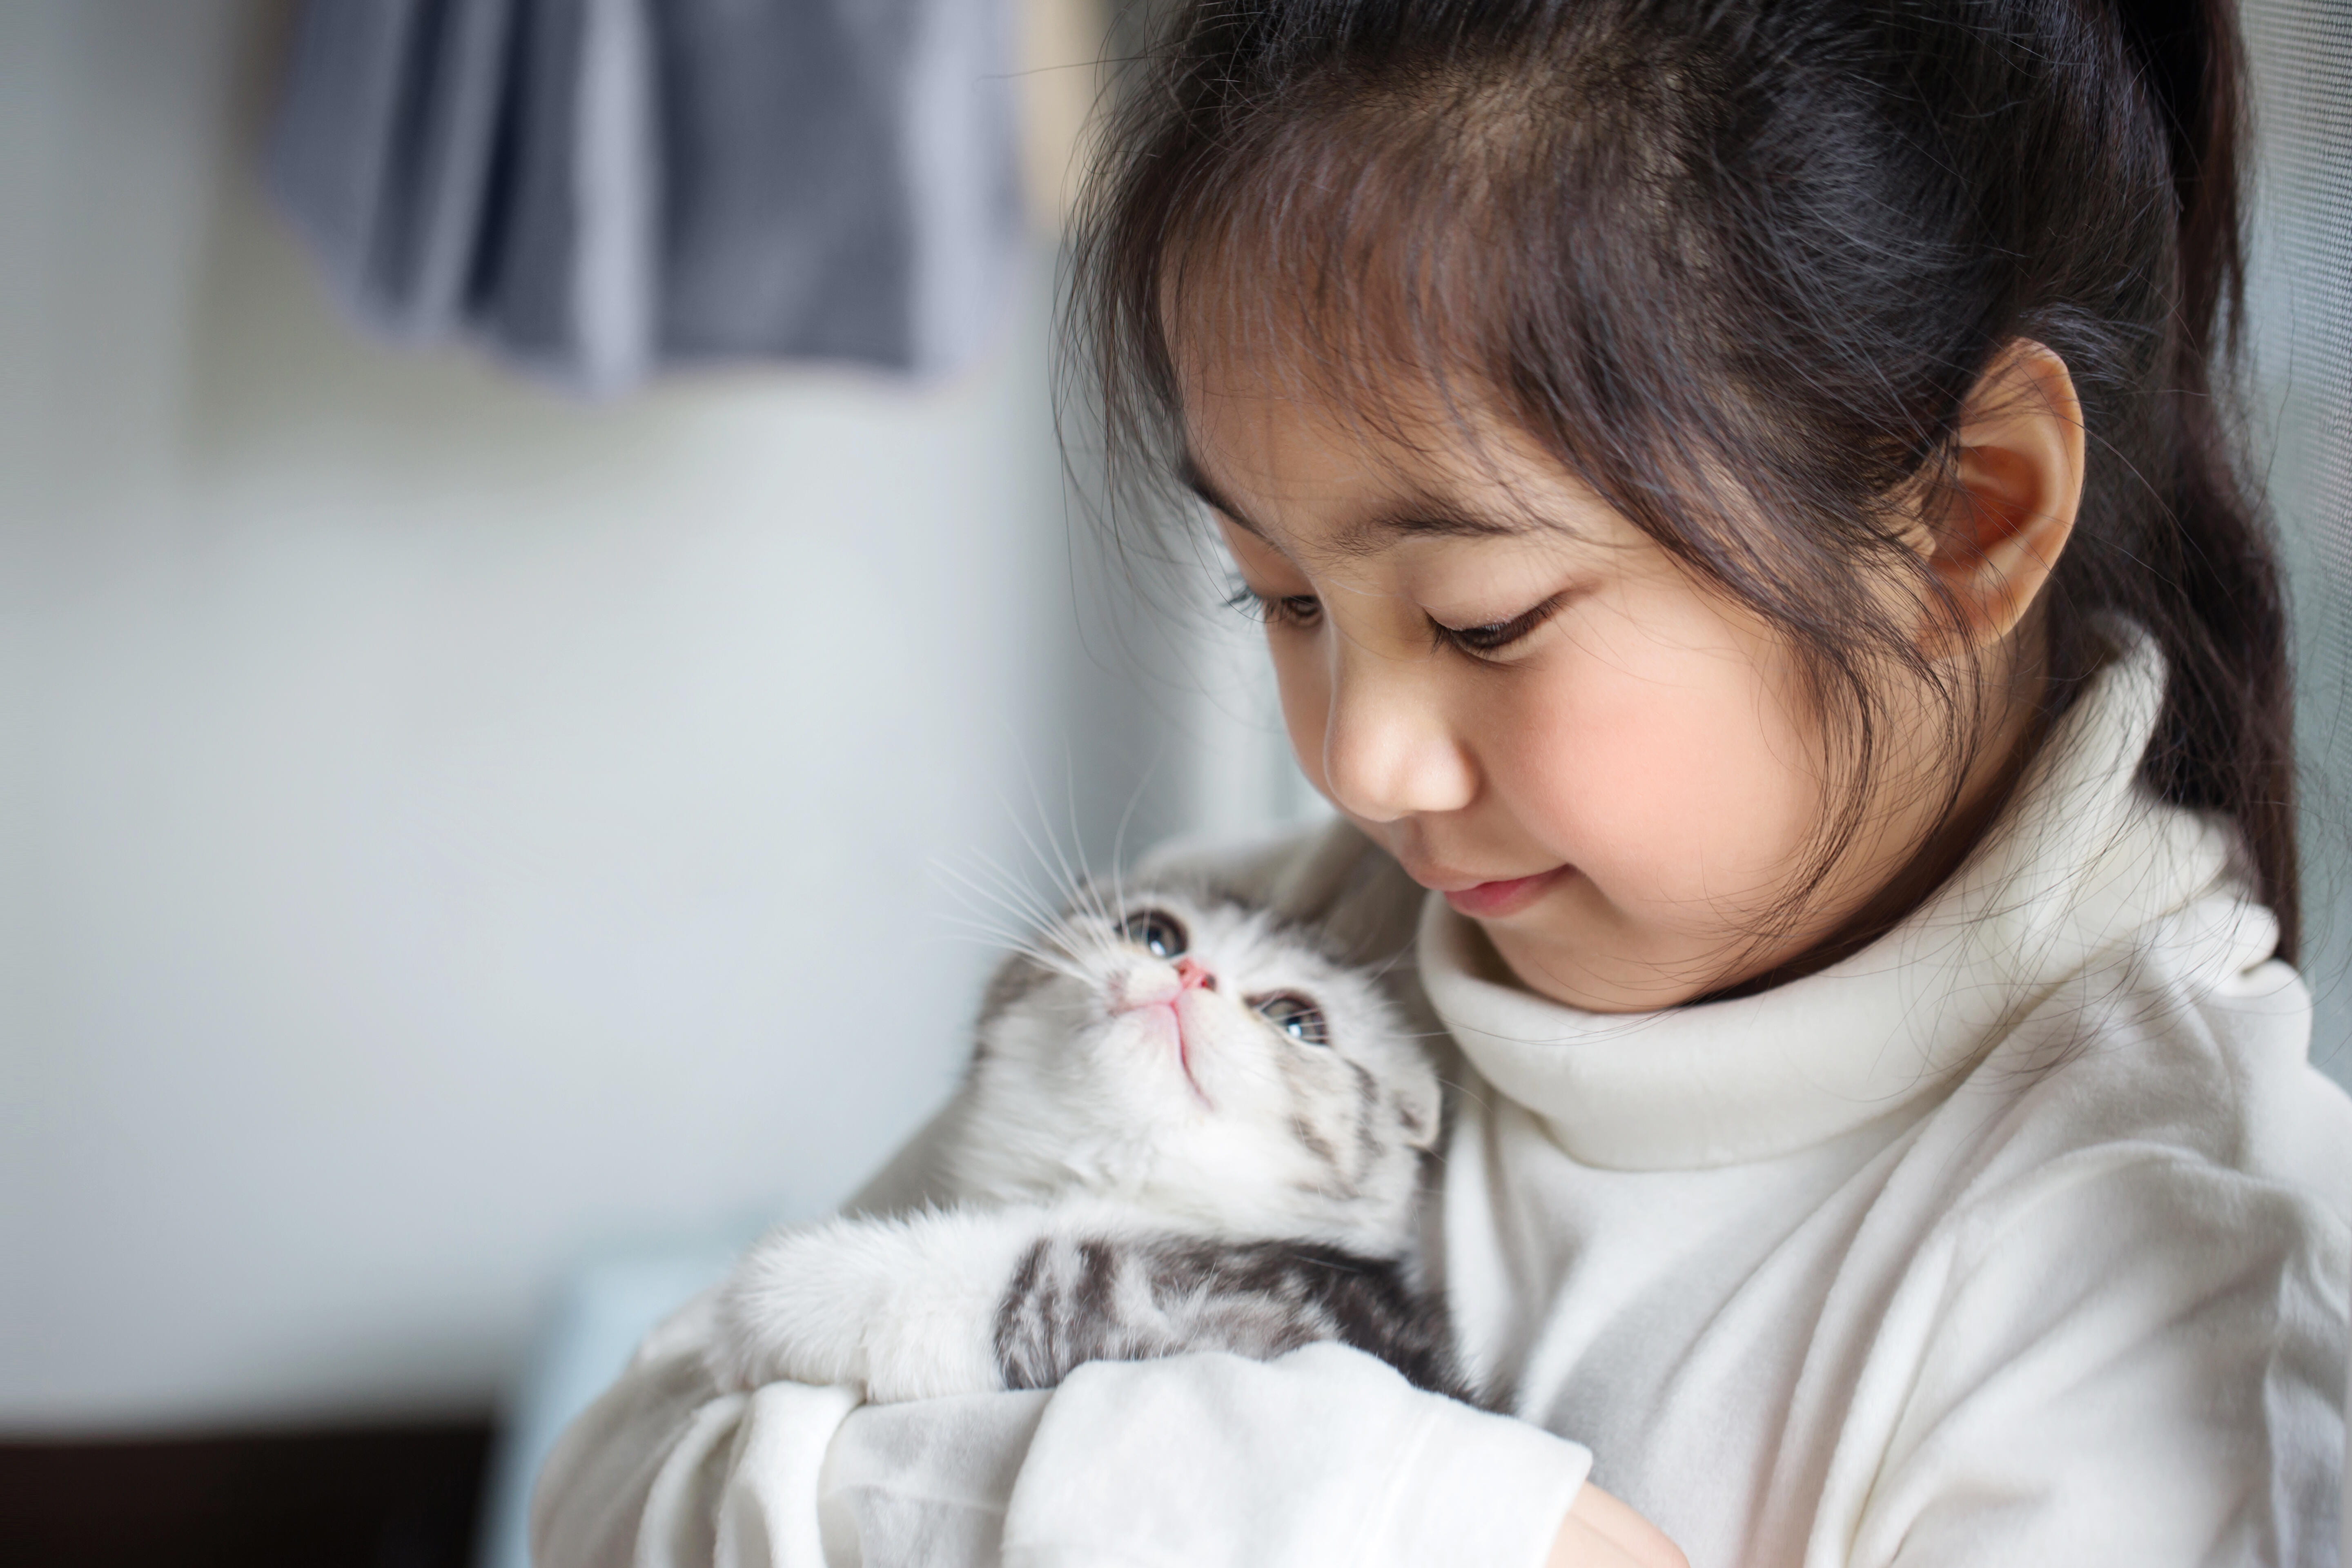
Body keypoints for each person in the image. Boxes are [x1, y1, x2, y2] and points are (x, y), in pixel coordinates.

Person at [533, 0, 2352, 1562]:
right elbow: (618, 1487)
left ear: (1965, 519)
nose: (1361, 760)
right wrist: (1314, 1509)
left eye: (1484, 621)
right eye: (1286, 599)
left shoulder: (2165, 1287)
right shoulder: (1292, 951)